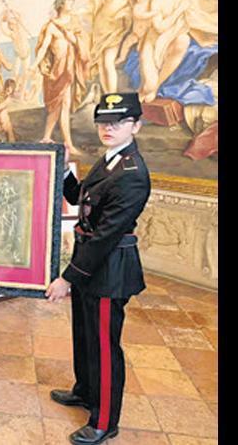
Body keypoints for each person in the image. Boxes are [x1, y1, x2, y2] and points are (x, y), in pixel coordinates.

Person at [45, 92, 151, 445]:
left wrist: (67, 278)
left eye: (118, 122)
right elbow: (80, 199)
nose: (109, 128)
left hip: (108, 271)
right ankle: (85, 390)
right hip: (91, 264)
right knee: (84, 333)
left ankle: (104, 421)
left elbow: (105, 236)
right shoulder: (110, 160)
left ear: (136, 126)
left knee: (105, 345)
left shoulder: (132, 173)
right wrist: (63, 169)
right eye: (104, 121)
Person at [31, 0, 89, 155]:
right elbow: (43, 48)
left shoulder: (74, 23)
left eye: (72, 0)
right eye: (68, 0)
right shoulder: (51, 26)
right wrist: (34, 65)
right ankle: (48, 137)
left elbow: (83, 45)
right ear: (61, 3)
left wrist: (74, 39)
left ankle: (66, 143)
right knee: (56, 106)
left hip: (68, 70)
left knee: (64, 105)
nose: (71, 3)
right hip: (56, 72)